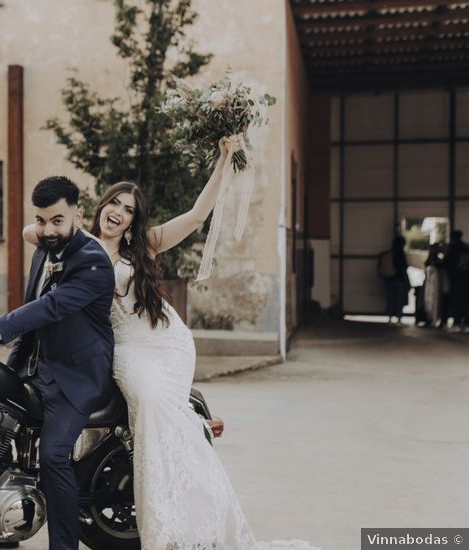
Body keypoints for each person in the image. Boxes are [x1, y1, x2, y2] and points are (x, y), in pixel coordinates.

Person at [20, 138, 317, 548]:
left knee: (156, 404)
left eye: (129, 211)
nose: (119, 214)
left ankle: (184, 508)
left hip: (162, 341)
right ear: (100, 205)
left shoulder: (143, 246)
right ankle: (161, 504)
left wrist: (223, 160)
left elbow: (196, 216)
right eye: (115, 204)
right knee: (140, 403)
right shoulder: (74, 241)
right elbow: (29, 231)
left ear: (132, 221)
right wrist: (58, 226)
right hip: (119, 343)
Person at [0, 176, 115, 550]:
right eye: (41, 220)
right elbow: (31, 238)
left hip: (75, 376)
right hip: (33, 367)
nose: (47, 229)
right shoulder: (44, 247)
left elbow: (48, 308)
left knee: (54, 456)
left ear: (79, 215)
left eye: (57, 220)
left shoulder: (93, 262)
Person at [377, 236, 410, 325]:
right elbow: (405, 267)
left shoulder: (388, 253)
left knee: (390, 299)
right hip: (399, 280)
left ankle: (390, 318)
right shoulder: (400, 253)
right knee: (399, 300)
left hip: (388, 279)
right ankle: (399, 319)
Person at [443, 229, 469, 330]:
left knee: (456, 301)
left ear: (453, 238)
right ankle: (467, 323)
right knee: (466, 302)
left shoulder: (452, 249)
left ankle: (457, 323)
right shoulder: (466, 248)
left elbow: (446, 264)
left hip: (457, 279)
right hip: (467, 278)